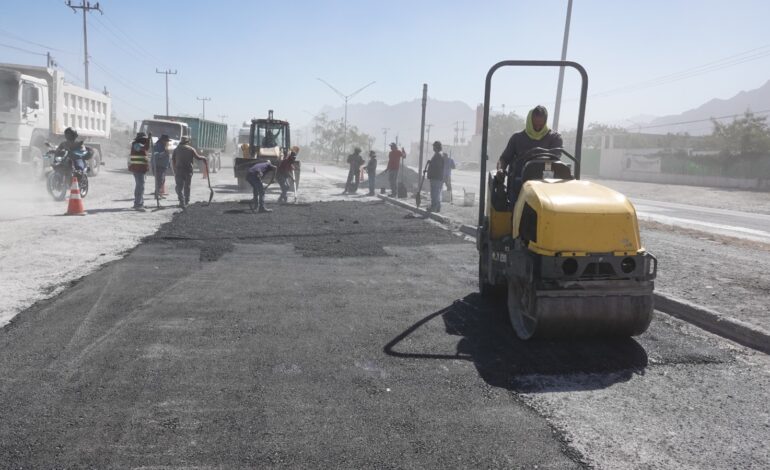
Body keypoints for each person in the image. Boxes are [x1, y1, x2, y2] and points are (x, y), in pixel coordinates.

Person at [496, 105, 563, 189]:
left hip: (545, 184)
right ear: (529, 121)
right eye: (535, 125)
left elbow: (555, 158)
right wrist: (500, 170)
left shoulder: (555, 138)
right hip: (520, 185)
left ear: (545, 122)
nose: (538, 127)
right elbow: (504, 159)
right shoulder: (517, 138)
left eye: (541, 125)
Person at [172, 136, 207, 209]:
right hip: (188, 170)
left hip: (179, 170)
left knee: (179, 187)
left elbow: (173, 161)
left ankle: (182, 202)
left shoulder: (176, 149)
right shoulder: (191, 149)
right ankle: (186, 201)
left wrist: (174, 170)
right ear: (188, 142)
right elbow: (198, 157)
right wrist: (203, 158)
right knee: (187, 186)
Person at [128, 132, 151, 210]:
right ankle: (138, 204)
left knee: (141, 187)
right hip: (138, 169)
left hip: (141, 169)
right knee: (140, 187)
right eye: (143, 139)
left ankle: (140, 202)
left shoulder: (140, 145)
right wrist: (148, 139)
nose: (144, 140)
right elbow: (146, 148)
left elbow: (145, 149)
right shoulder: (136, 145)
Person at [427, 141, 445, 213]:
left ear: (436, 147)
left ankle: (434, 208)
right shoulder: (437, 155)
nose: (433, 148)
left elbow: (437, 166)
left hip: (436, 178)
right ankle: (437, 208)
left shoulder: (438, 155)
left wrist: (431, 163)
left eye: (434, 146)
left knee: (435, 193)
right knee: (436, 193)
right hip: (436, 177)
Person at [152, 134, 171, 199]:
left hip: (163, 166)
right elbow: (156, 155)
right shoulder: (157, 146)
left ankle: (159, 193)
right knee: (159, 180)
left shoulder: (164, 146)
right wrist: (164, 153)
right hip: (158, 166)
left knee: (162, 180)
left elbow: (167, 156)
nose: (167, 142)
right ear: (162, 140)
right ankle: (157, 194)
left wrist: (168, 165)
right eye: (166, 141)